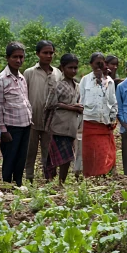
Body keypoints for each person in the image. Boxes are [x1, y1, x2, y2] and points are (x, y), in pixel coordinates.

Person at [23, 40, 62, 182]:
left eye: (51, 53)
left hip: (51, 121)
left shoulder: (57, 73)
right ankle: (29, 177)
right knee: (30, 150)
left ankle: (49, 177)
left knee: (49, 151)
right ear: (37, 54)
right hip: (32, 119)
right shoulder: (29, 73)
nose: (48, 55)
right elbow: (23, 94)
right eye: (45, 53)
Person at [0, 42, 33, 187]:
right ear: (7, 58)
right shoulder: (2, 80)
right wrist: (3, 130)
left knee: (21, 157)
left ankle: (18, 183)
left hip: (26, 123)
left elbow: (25, 100)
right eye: (15, 57)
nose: (18, 60)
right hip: (11, 126)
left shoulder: (22, 78)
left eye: (21, 57)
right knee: (10, 157)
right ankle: (6, 185)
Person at [44, 54, 83, 184]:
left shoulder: (77, 86)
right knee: (57, 156)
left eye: (75, 68)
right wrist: (72, 107)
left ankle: (61, 182)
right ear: (62, 67)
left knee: (67, 157)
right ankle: (50, 180)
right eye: (70, 67)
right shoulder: (58, 85)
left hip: (71, 126)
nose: (73, 71)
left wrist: (78, 107)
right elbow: (50, 104)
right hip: (58, 126)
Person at [80, 52, 118, 177]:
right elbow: (80, 101)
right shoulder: (85, 80)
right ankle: (90, 176)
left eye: (102, 64)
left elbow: (113, 103)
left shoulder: (110, 82)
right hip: (89, 124)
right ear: (91, 64)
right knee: (90, 154)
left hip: (104, 125)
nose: (99, 66)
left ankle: (101, 175)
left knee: (103, 153)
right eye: (97, 63)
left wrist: (113, 119)